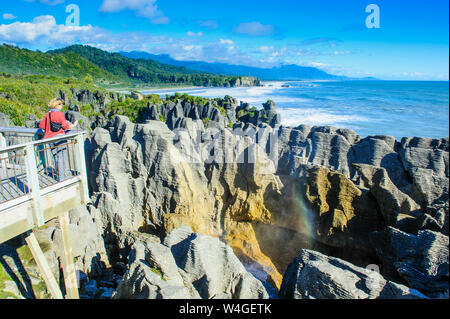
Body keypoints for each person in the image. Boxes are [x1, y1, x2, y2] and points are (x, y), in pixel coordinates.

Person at [39, 98, 78, 181]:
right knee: (61, 157)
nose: (62, 106)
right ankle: (62, 177)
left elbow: (41, 126)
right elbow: (65, 126)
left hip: (49, 139)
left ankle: (58, 175)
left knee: (55, 157)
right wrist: (73, 125)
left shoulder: (48, 114)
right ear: (57, 105)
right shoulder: (59, 114)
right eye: (61, 104)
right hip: (59, 138)